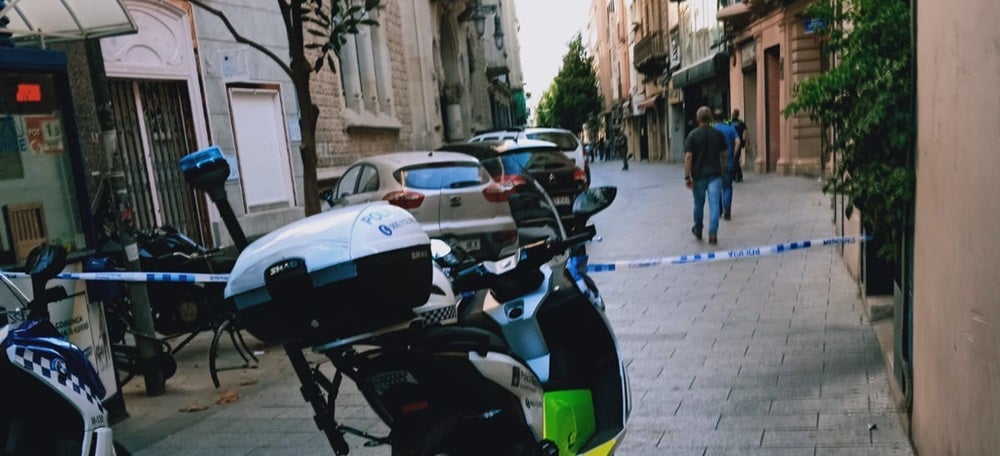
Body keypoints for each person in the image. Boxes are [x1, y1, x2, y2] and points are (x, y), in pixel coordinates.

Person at [684, 106, 728, 245]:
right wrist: (722, 168)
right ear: (710, 118)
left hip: (698, 176)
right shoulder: (717, 134)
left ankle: (698, 229)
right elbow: (724, 154)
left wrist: (687, 176)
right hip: (715, 174)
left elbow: (688, 157)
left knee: (699, 204)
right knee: (714, 204)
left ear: (698, 119)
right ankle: (713, 234)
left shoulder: (693, 135)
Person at [713, 108, 740, 221]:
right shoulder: (730, 129)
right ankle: (727, 209)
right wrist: (733, 155)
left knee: (717, 187)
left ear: (714, 119)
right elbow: (738, 142)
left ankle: (719, 210)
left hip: (715, 163)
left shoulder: (712, 130)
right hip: (728, 161)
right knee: (727, 186)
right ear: (724, 117)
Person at [730, 109, 747, 182]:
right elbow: (745, 133)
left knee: (735, 159)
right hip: (739, 142)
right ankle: (737, 175)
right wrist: (745, 141)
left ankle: (737, 175)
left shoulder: (730, 123)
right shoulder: (741, 123)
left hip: (732, 142)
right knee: (735, 159)